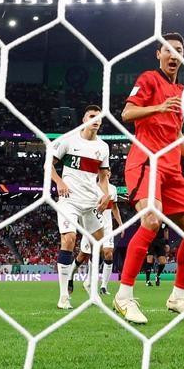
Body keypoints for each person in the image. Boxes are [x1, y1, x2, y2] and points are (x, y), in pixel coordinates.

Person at [114, 32, 184, 324]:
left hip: (172, 170)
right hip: (145, 162)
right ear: (159, 54)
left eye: (179, 50)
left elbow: (175, 134)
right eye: (169, 50)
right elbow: (127, 113)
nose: (174, 55)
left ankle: (178, 296)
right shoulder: (149, 79)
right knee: (151, 221)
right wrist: (158, 106)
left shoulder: (181, 91)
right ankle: (124, 296)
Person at [50, 105, 111, 309]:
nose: (96, 119)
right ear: (84, 119)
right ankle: (63, 296)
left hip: (90, 202)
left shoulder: (103, 147)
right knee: (69, 239)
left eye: (99, 117)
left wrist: (105, 194)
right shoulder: (68, 140)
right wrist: (59, 181)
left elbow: (103, 177)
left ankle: (90, 287)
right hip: (69, 200)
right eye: (92, 116)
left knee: (99, 245)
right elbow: (48, 164)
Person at [70, 170, 122, 295]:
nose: (108, 172)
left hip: (107, 227)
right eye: (105, 170)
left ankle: (103, 286)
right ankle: (70, 276)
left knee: (108, 254)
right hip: (92, 226)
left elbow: (115, 208)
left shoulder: (113, 189)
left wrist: (120, 224)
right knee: (83, 256)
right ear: (99, 173)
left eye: (109, 170)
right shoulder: (92, 187)